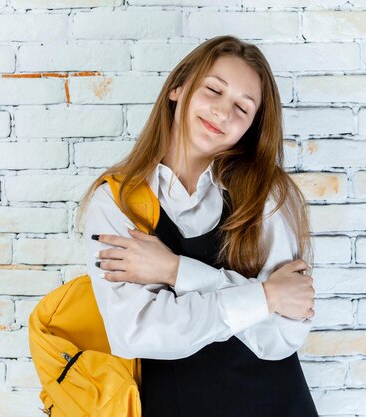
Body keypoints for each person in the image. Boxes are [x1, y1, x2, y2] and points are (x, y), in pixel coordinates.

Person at [76, 35, 318, 417]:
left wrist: (174, 271)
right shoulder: (118, 201)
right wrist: (264, 297)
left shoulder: (266, 194)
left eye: (242, 107)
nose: (223, 112)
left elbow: (282, 336)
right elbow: (137, 332)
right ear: (178, 87)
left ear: (252, 127)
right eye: (214, 90)